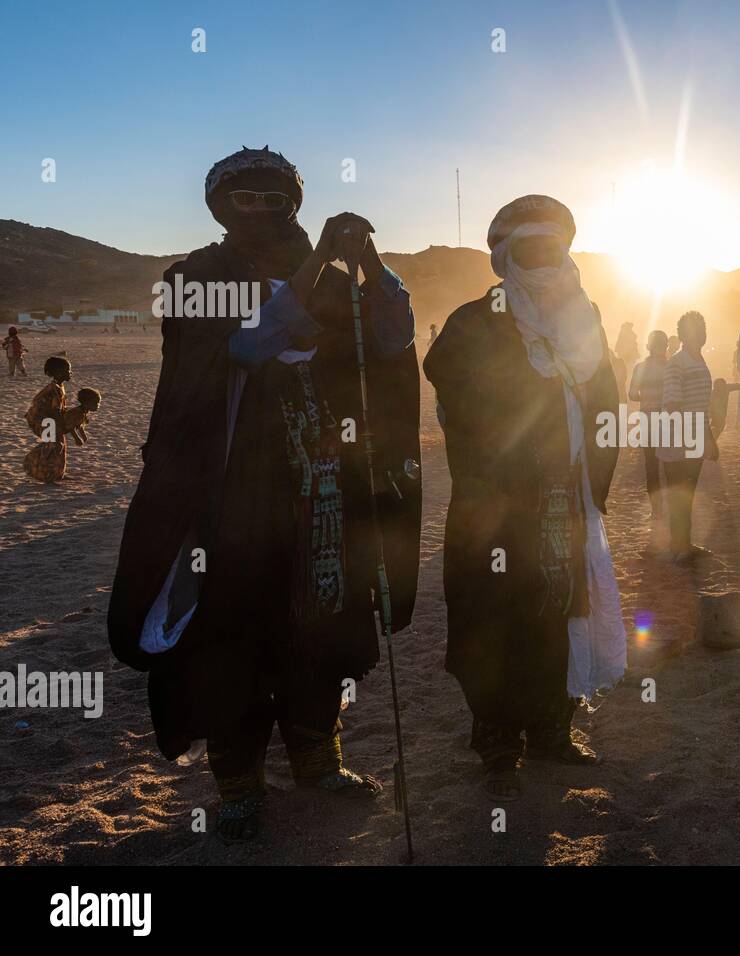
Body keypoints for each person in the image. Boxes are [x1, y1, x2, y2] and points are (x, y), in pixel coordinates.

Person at [107, 147, 422, 842]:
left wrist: (370, 264)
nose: (256, 210)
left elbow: (394, 340)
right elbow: (249, 345)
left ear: (291, 203)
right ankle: (240, 782)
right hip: (233, 490)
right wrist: (317, 272)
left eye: (269, 198)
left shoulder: (342, 281)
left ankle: (317, 756)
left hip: (325, 482)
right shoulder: (195, 277)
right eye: (242, 199)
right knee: (233, 631)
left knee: (325, 618)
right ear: (221, 205)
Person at [424, 194, 625, 801]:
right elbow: (447, 380)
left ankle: (551, 730)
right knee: (493, 617)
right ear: (506, 256)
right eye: (529, 249)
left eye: (552, 248)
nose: (543, 260)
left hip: (565, 504)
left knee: (560, 613)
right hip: (497, 509)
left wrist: (593, 478)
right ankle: (496, 739)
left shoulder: (584, 321)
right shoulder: (475, 320)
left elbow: (605, 405)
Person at [661, 310, 717, 564]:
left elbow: (701, 406)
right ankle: (679, 548)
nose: (701, 334)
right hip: (676, 440)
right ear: (682, 334)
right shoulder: (677, 361)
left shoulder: (699, 360)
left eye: (702, 328)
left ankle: (685, 544)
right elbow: (673, 404)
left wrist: (708, 438)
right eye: (695, 329)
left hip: (694, 438)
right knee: (679, 495)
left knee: (688, 494)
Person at [629, 330, 670, 542]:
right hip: (668, 421)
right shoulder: (671, 367)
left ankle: (656, 510)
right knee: (671, 465)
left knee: (651, 467)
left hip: (647, 420)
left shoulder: (640, 368)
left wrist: (646, 393)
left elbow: (632, 394)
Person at [22, 355, 73, 483]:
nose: (70, 372)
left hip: (47, 419)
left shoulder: (59, 386)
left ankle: (57, 474)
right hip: (42, 420)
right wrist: (63, 425)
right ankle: (43, 471)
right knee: (53, 445)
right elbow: (55, 411)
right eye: (67, 370)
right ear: (58, 372)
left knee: (59, 444)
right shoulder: (55, 389)